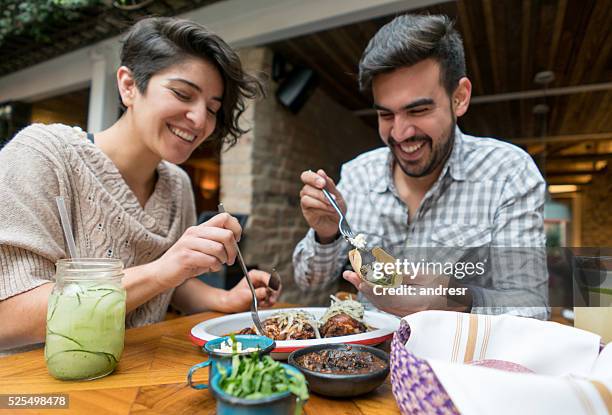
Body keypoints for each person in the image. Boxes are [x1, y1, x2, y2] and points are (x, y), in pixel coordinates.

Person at [0, 17, 281, 353]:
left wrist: (225, 299)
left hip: (141, 374)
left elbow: (169, 285)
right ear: (129, 85)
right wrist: (166, 268)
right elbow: (10, 316)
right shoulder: (42, 154)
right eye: (182, 93)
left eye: (212, 108)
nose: (200, 119)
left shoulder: (177, 184)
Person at [293, 14, 548, 319]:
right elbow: (308, 281)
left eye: (418, 110)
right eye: (386, 115)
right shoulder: (357, 175)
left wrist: (454, 296)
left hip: (456, 362)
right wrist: (328, 235)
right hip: (368, 360)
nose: (400, 134)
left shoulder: (508, 173)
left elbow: (533, 308)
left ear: (460, 97)